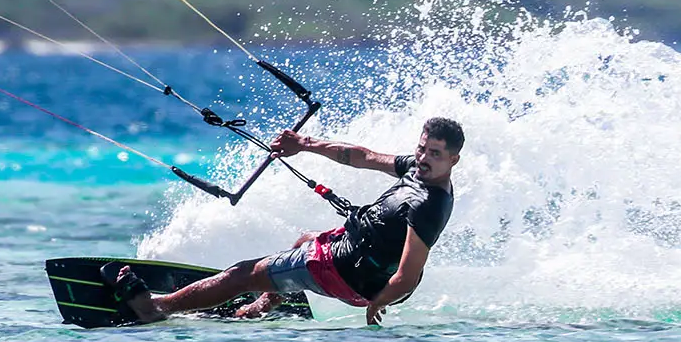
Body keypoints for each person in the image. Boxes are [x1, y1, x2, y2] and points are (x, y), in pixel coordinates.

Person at [108, 116, 464, 326]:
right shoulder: (418, 172)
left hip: (346, 270)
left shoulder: (428, 204)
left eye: (434, 154)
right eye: (421, 148)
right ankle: (260, 307)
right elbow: (362, 156)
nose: (422, 158)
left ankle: (155, 308)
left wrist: (376, 304)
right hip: (356, 255)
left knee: (243, 274)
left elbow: (407, 274)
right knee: (303, 240)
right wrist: (305, 144)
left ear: (454, 159)